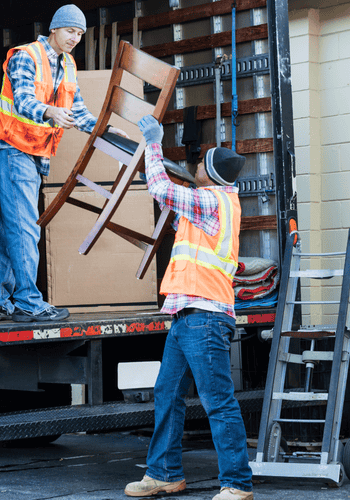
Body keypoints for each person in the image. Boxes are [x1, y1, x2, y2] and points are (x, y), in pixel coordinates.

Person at [124, 115, 253, 500]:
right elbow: (175, 195)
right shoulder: (215, 201)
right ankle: (164, 473)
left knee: (218, 402)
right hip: (187, 316)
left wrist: (153, 143)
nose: (195, 165)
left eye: (200, 163)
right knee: (167, 393)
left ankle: (237, 484)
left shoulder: (210, 201)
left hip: (205, 317)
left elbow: (161, 190)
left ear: (209, 175)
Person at [0, 4, 125, 323]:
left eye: (81, 33)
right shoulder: (26, 56)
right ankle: (28, 300)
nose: (76, 38)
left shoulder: (68, 64)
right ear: (54, 29)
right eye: (71, 30)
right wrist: (50, 112)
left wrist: (106, 130)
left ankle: (3, 298)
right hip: (13, 147)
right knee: (24, 226)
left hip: (34, 152)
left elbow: (78, 111)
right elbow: (24, 99)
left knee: (12, 227)